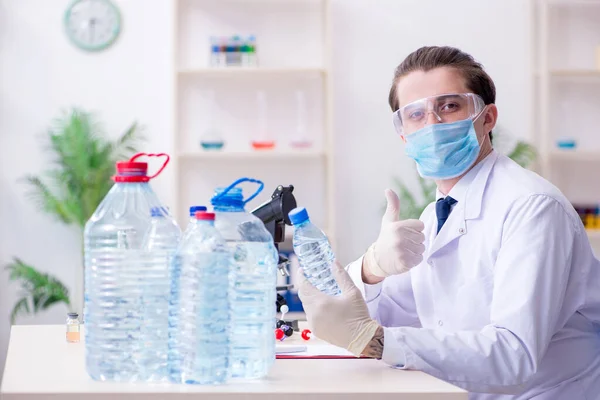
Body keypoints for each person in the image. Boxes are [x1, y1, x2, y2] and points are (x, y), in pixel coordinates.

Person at [298, 46, 600, 399]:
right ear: (403, 135)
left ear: (487, 119)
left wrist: (374, 341)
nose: (432, 125)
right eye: (415, 115)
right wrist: (372, 266)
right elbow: (373, 315)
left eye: (449, 106)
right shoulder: (437, 214)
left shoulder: (532, 208)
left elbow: (513, 354)